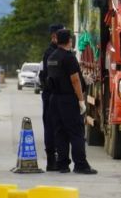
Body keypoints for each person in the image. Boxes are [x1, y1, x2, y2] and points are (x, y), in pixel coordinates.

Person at [47, 29, 97, 174]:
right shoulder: (69, 57)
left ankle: (62, 164)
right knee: (76, 132)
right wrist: (81, 100)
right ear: (69, 40)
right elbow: (75, 80)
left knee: (60, 132)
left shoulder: (52, 56)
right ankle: (80, 165)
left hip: (54, 99)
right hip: (68, 99)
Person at [39, 23, 63, 171]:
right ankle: (51, 160)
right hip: (51, 95)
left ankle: (56, 159)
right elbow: (47, 76)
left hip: (52, 94)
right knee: (51, 127)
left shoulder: (54, 51)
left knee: (57, 127)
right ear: (54, 36)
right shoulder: (50, 53)